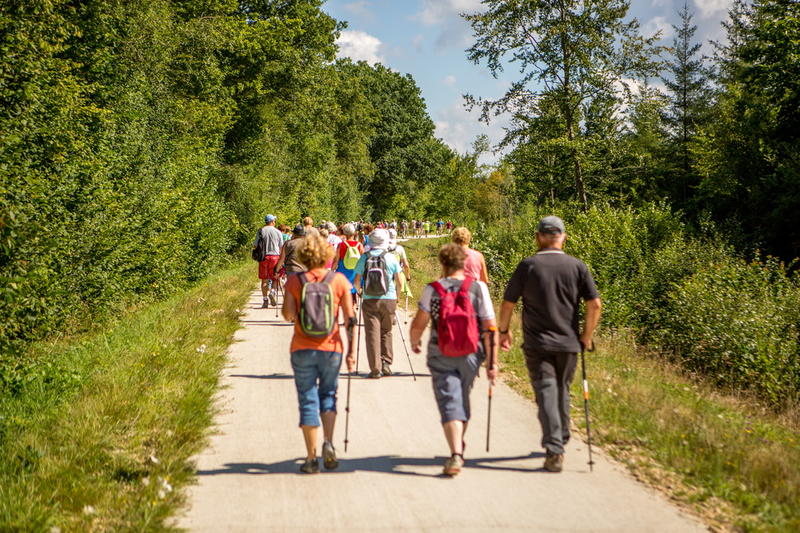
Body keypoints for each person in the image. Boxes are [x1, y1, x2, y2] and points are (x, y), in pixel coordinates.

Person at [497, 216, 602, 473]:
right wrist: (586, 336)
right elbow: (594, 304)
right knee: (562, 389)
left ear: (539, 237)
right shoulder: (578, 266)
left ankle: (555, 447)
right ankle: (561, 434)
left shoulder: (528, 266)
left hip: (538, 342)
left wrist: (503, 331)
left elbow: (508, 303)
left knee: (546, 391)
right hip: (569, 343)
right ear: (563, 237)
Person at [409, 243, 498, 476]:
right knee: (463, 396)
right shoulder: (478, 288)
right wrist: (492, 361)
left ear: (443, 263)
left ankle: (456, 453)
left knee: (450, 399)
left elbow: (419, 322)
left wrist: (415, 342)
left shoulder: (434, 289)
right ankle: (458, 444)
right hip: (471, 353)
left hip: (441, 352)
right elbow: (490, 326)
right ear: (464, 263)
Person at [282, 235, 357, 473]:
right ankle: (329, 443)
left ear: (304, 256)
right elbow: (350, 320)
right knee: (328, 396)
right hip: (331, 349)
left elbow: (288, 315)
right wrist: (352, 353)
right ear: (328, 255)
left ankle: (311, 458)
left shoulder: (295, 281)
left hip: (302, 347)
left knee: (307, 400)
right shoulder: (339, 281)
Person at [353, 229, 403, 378]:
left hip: (369, 300)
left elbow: (356, 282)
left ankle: (375, 369)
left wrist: (360, 292)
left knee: (372, 334)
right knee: (386, 331)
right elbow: (400, 281)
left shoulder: (364, 258)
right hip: (389, 299)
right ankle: (386, 362)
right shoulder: (391, 258)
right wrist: (397, 297)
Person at [254, 214, 284, 308]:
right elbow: (281, 246)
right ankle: (273, 291)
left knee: (264, 279)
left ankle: (265, 300)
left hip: (263, 257)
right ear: (272, 221)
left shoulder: (260, 231)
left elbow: (255, 245)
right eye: (274, 220)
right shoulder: (278, 232)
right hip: (275, 257)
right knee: (274, 278)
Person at [332, 224, 364, 305]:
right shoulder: (359, 245)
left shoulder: (341, 245)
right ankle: (352, 309)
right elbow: (363, 261)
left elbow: (336, 262)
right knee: (352, 297)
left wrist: (332, 271)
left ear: (344, 233)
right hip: (355, 274)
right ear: (354, 233)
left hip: (342, 273)